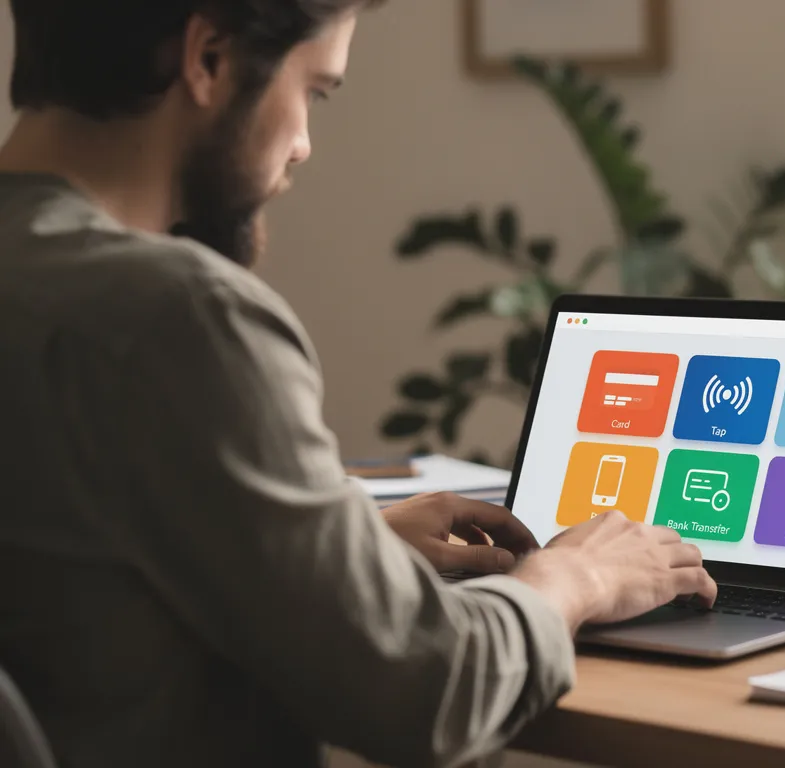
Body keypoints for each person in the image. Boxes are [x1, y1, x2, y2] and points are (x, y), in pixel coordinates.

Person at [0, 2, 717, 767]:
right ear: (207, 58)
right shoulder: (180, 317)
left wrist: (348, 549)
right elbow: (428, 696)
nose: (305, 145)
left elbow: (73, 560)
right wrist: (576, 577)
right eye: (314, 90)